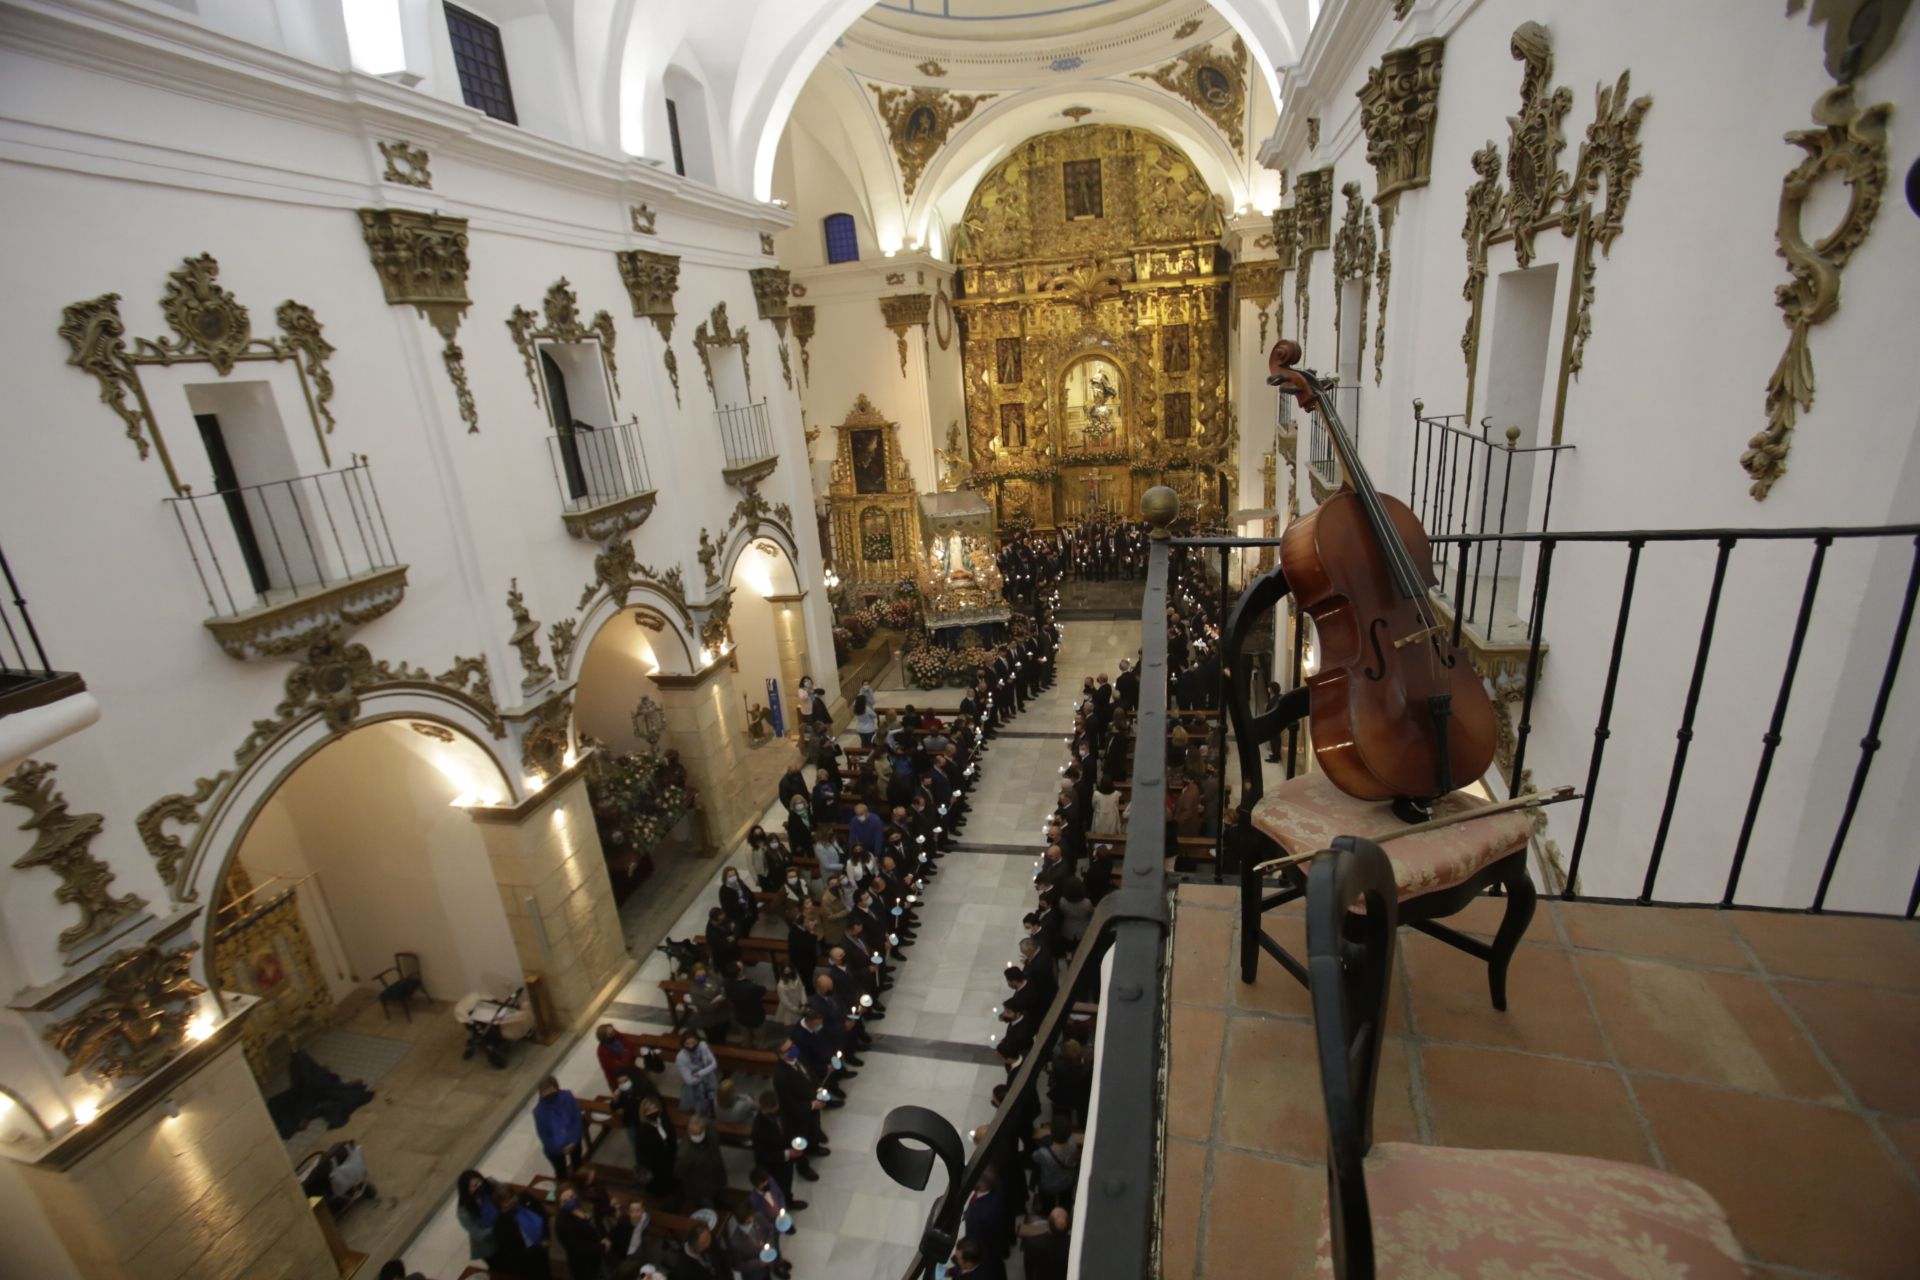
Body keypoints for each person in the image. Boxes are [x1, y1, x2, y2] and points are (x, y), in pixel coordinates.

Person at [490, 1184, 552, 1280]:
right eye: (507, 1201)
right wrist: (540, 1247)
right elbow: (515, 1253)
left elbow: (541, 1212)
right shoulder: (501, 1227)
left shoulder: (524, 1199)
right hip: (528, 1263)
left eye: (513, 1196)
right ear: (501, 1205)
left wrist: (546, 1236)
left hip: (543, 1250)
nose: (513, 1201)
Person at [533, 1075, 586, 1181]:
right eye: (545, 1091)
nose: (549, 1093)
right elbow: (544, 1135)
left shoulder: (567, 1096)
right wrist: (560, 1149)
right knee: (561, 1173)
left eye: (551, 1089)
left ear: (556, 1087)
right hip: (555, 1149)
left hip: (573, 1140)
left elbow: (576, 1117)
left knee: (578, 1165)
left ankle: (581, 1184)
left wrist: (573, 1141)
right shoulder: (539, 1111)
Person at [674, 1114, 729, 1213]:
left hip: (718, 1176)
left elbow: (710, 1123)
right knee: (709, 1209)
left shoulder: (711, 1133)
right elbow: (679, 1172)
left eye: (700, 1131)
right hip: (702, 1189)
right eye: (694, 1132)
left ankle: (721, 1205)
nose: (697, 1134)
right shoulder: (685, 1153)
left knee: (721, 1197)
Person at [556, 1182, 611, 1280]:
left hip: (598, 1250)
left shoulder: (582, 1204)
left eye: (572, 1196)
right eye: (565, 1201)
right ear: (560, 1204)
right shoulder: (563, 1224)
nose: (570, 1201)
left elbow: (597, 1222)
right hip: (585, 1264)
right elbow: (578, 1248)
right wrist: (602, 1247)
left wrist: (605, 1236)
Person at [632, 1094, 678, 1195]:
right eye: (648, 1110)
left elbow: (672, 1136)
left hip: (669, 1161)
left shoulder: (664, 1120)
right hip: (655, 1167)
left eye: (654, 1107)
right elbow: (641, 1154)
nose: (652, 1111)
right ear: (644, 1113)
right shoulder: (642, 1131)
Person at [455, 1169, 500, 1265]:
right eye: (474, 1186)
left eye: (479, 1182)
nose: (479, 1186)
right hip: (490, 1246)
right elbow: (479, 1234)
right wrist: (500, 1225)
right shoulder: (464, 1211)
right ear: (467, 1190)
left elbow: (504, 1192)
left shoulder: (490, 1183)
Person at [1018, 1207, 1073, 1280]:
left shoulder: (1032, 1243)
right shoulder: (1073, 1246)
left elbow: (1029, 1270)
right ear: (1069, 1226)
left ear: (1048, 1223)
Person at [607, 1199, 655, 1278]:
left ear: (643, 1211)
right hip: (623, 1254)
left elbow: (647, 1217)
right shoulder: (622, 1224)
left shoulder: (644, 1220)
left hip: (637, 1251)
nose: (635, 1214)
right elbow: (613, 1234)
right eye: (632, 1211)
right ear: (628, 1212)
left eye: (638, 1210)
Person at [725, 961, 768, 1047]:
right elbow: (763, 990)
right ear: (740, 971)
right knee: (761, 1042)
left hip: (740, 1017)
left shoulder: (728, 985)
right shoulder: (750, 987)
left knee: (746, 1041)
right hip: (756, 1018)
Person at [676, 1031, 719, 1117]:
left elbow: (714, 1064)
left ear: (698, 1041)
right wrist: (706, 1072)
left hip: (710, 1082)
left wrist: (699, 1073)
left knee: (714, 1102)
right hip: (696, 1089)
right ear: (683, 1044)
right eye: (687, 1044)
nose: (691, 1046)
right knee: (700, 1109)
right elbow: (689, 1081)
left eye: (693, 1042)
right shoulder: (681, 1057)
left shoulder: (702, 1046)